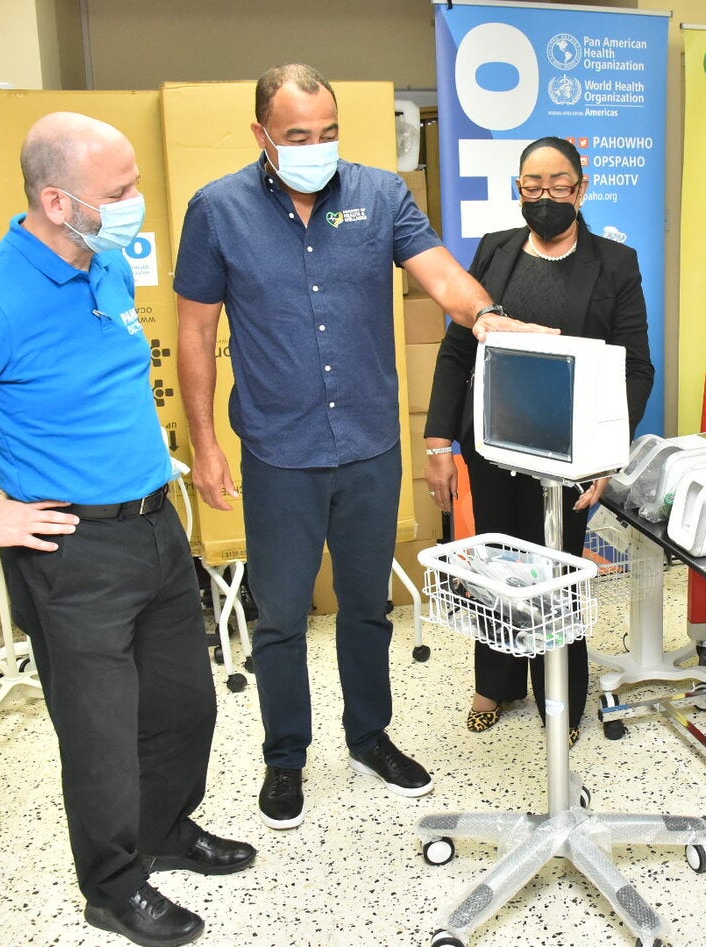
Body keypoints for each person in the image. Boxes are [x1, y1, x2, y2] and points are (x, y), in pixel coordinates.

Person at [0, 111, 253, 947]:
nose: (136, 205)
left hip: (153, 527)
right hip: (70, 547)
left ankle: (163, 829)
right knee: (100, 732)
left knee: (184, 706)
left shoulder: (105, 260)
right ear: (57, 200)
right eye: (119, 193)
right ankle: (114, 886)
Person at [173, 63, 551, 831]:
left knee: (365, 605)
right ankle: (285, 757)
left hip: (371, 443)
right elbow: (194, 333)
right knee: (280, 615)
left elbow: (442, 275)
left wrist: (489, 318)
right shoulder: (217, 210)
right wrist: (206, 444)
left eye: (330, 132)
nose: (319, 148)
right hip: (279, 451)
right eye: (299, 137)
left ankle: (369, 735)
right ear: (262, 136)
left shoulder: (380, 195)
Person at [424, 136, 655, 744]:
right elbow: (457, 349)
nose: (545, 196)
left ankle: (562, 694)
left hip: (570, 456)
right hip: (492, 444)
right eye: (533, 186)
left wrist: (609, 455)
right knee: (496, 568)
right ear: (517, 190)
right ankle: (493, 684)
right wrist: (438, 442)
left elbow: (637, 367)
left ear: (581, 189)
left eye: (558, 185)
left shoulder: (615, 265)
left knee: (557, 573)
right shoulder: (495, 252)